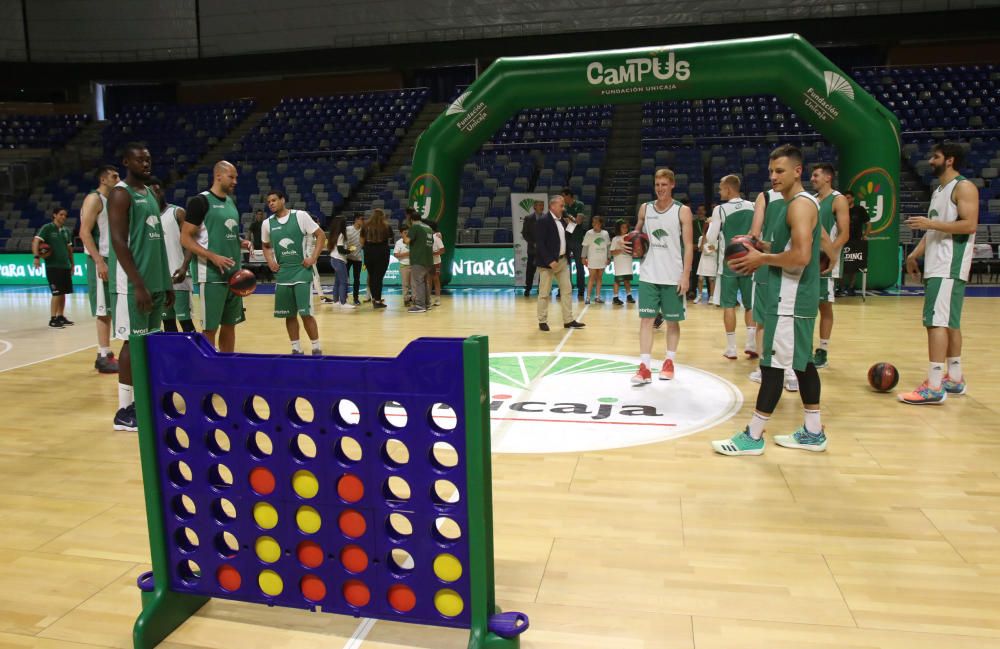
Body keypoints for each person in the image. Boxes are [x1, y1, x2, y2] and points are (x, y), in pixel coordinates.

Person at [713, 144, 828, 456]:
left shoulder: (799, 206)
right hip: (795, 297)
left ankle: (753, 436)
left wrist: (761, 258)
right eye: (771, 171)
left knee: (773, 366)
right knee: (802, 365)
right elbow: (793, 246)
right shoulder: (794, 205)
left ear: (797, 171)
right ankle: (814, 432)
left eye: (780, 171)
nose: (773, 177)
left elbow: (802, 256)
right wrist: (760, 245)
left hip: (789, 298)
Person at [898, 142, 979, 405]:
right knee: (950, 322)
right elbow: (936, 231)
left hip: (948, 265)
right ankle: (954, 379)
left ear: (950, 160)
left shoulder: (963, 187)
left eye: (936, 156)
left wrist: (929, 223)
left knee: (935, 322)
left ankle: (934, 386)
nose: (930, 160)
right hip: (938, 264)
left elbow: (969, 225)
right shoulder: (940, 191)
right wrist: (914, 254)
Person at [107, 142, 173, 431]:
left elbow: (157, 244)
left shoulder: (149, 193)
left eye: (148, 159)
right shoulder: (121, 194)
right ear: (126, 161)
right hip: (133, 284)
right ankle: (124, 410)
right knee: (132, 343)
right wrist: (138, 284)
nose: (146, 164)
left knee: (150, 342)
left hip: (156, 282)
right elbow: (119, 243)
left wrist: (167, 282)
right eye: (139, 160)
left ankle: (144, 401)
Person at [181, 160, 251, 352]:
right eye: (232, 177)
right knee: (210, 328)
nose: (235, 181)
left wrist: (239, 241)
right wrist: (212, 256)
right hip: (211, 277)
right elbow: (185, 238)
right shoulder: (200, 201)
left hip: (234, 276)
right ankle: (208, 371)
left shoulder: (230, 202)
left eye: (236, 177)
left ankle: (226, 367)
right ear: (218, 175)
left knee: (230, 325)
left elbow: (220, 231)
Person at [630, 168, 693, 384]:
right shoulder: (645, 208)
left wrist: (685, 275)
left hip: (673, 275)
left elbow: (689, 246)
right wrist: (625, 243)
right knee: (646, 320)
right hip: (649, 273)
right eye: (657, 185)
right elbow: (636, 235)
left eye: (664, 185)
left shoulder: (682, 211)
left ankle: (669, 361)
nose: (660, 189)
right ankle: (645, 367)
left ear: (672, 185)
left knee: (672, 323)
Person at [263, 190, 327, 354]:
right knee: (289, 314)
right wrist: (270, 261)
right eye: (268, 201)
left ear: (283, 200)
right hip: (282, 274)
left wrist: (313, 258)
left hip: (301, 272)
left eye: (274, 200)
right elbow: (265, 245)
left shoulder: (300, 216)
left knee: (306, 313)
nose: (271, 203)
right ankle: (296, 348)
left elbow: (320, 235)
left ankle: (316, 347)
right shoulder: (267, 223)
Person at [748, 187, 799, 392]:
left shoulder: (765, 196)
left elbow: (754, 234)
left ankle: (765, 368)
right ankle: (791, 371)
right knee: (790, 320)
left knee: (762, 321)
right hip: (794, 266)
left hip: (767, 264)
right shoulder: (805, 198)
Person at [704, 175, 756, 361]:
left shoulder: (720, 210)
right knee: (751, 305)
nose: (719, 192)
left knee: (728, 305)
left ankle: (732, 348)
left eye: (720, 188)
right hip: (750, 261)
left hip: (730, 264)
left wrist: (711, 226)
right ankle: (751, 344)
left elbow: (711, 238)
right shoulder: (752, 206)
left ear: (728, 189)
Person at [79, 165, 120, 371]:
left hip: (111, 258)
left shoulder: (111, 200)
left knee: (111, 308)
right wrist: (99, 261)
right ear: (103, 179)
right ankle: (103, 354)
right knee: (103, 310)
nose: (118, 178)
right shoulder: (93, 199)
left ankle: (106, 353)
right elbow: (84, 233)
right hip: (100, 259)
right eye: (114, 176)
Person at [810, 163, 850, 369]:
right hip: (807, 261)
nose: (812, 179)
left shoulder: (838, 199)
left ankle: (823, 350)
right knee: (806, 305)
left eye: (816, 175)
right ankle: (805, 346)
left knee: (824, 306)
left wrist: (830, 253)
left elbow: (845, 232)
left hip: (825, 262)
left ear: (828, 177)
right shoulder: (812, 201)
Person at [150, 177, 195, 333]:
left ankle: (194, 356)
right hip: (159, 279)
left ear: (162, 192)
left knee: (186, 323)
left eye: (156, 191)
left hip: (178, 276)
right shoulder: (147, 217)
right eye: (150, 192)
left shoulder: (177, 212)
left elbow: (190, 243)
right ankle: (175, 356)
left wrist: (184, 267)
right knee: (168, 324)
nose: (154, 194)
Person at [536, 195, 585, 331]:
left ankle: (568, 320)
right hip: (548, 263)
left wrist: (572, 224)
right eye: (561, 205)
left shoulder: (562, 220)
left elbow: (566, 237)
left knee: (567, 290)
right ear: (552, 206)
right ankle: (542, 320)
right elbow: (540, 244)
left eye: (564, 205)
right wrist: (549, 260)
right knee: (544, 293)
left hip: (563, 261)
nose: (563, 208)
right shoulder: (543, 221)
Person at [33, 206, 75, 329]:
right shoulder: (47, 228)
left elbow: (69, 249)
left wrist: (72, 263)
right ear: (54, 215)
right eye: (61, 214)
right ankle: (52, 319)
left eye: (65, 215)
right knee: (56, 293)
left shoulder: (66, 231)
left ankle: (60, 316)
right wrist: (36, 257)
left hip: (65, 265)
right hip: (53, 266)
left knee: (63, 293)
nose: (63, 217)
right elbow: (36, 241)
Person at [361, 208, 393, 309]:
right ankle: (378, 300)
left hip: (368, 251)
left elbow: (361, 241)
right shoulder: (386, 226)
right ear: (382, 216)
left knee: (371, 275)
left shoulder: (365, 225)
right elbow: (390, 238)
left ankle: (374, 298)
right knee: (378, 277)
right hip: (382, 251)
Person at [839, 194, 871, 296]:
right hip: (842, 240)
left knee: (853, 264)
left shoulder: (859, 209)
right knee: (841, 265)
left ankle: (851, 287)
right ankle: (841, 287)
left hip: (856, 240)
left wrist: (865, 235)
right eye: (845, 198)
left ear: (853, 198)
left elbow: (868, 223)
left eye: (848, 197)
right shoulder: (840, 209)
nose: (846, 199)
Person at [561, 188, 587, 298]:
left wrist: (570, 221)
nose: (562, 198)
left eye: (564, 196)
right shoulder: (563, 207)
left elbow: (579, 221)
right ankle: (566, 288)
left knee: (579, 265)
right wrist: (572, 220)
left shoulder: (579, 205)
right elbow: (562, 221)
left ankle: (581, 288)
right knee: (565, 266)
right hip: (566, 239)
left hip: (577, 239)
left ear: (569, 196)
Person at [407, 209, 434, 313]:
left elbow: (407, 241)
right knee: (424, 282)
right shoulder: (428, 228)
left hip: (418, 259)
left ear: (411, 219)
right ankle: (427, 304)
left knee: (418, 282)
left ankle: (420, 305)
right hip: (428, 259)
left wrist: (405, 235)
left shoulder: (415, 227)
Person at [581, 215, 610, 304]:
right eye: (593, 222)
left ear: (601, 223)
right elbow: (585, 246)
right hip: (592, 259)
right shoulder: (589, 233)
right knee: (591, 277)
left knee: (599, 278)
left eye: (597, 222)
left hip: (602, 259)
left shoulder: (605, 233)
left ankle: (597, 297)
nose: (594, 224)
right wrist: (583, 257)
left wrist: (609, 257)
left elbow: (608, 246)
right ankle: (588, 297)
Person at [694, 209, 718, 304]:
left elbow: (716, 248)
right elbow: (700, 249)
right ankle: (699, 296)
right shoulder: (702, 238)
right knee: (700, 278)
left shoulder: (717, 238)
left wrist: (710, 248)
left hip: (712, 259)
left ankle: (712, 297)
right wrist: (704, 237)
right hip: (704, 259)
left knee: (711, 279)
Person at [610, 220, 635, 306]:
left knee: (627, 280)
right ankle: (615, 298)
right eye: (623, 227)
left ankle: (629, 296)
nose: (625, 229)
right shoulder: (615, 239)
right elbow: (612, 252)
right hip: (619, 261)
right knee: (618, 280)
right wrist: (621, 250)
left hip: (628, 260)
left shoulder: (631, 237)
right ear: (618, 228)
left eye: (626, 227)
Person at [522, 199, 543, 296]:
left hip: (544, 250)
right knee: (530, 271)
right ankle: (528, 288)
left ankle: (541, 288)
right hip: (532, 250)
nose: (541, 207)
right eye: (539, 205)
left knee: (543, 271)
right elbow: (525, 233)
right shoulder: (528, 218)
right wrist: (533, 243)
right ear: (534, 207)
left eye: (542, 205)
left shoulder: (547, 218)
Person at [345, 213, 365, 304]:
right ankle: (343, 297)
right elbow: (342, 241)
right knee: (344, 278)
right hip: (347, 257)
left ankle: (356, 298)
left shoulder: (363, 231)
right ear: (356, 219)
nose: (363, 221)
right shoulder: (348, 229)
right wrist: (346, 249)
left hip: (358, 258)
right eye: (361, 219)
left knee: (357, 280)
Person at [689, 204, 707, 298]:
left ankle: (711, 294)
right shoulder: (693, 222)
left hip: (708, 250)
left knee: (709, 273)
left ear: (705, 211)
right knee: (695, 271)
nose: (700, 212)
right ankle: (692, 291)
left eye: (702, 210)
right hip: (696, 250)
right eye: (698, 210)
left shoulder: (709, 222)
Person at [394, 224, 412, 305]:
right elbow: (396, 254)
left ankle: (415, 299)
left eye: (408, 232)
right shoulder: (399, 243)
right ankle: (406, 300)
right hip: (404, 265)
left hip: (414, 265)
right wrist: (407, 254)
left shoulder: (413, 241)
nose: (406, 234)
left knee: (414, 284)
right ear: (401, 233)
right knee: (405, 284)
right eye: (405, 232)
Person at [430, 221, 444, 307]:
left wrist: (432, 253)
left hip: (436, 262)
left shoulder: (437, 236)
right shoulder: (424, 237)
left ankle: (437, 298)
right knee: (428, 280)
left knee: (436, 279)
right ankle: (428, 299)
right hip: (427, 261)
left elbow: (442, 250)